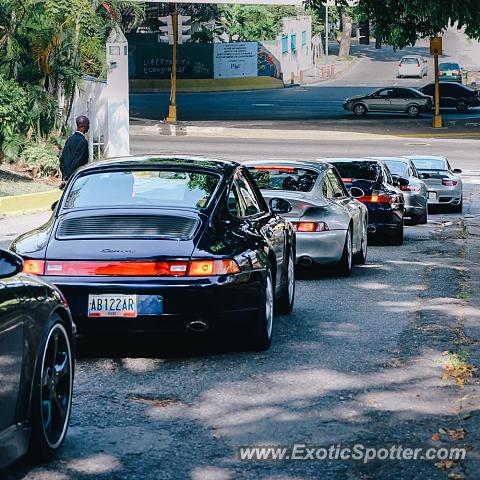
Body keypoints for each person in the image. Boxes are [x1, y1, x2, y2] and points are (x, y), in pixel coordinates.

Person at [59, 116, 90, 187]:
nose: (88, 127)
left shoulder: (69, 140)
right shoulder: (83, 142)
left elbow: (62, 159)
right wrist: (69, 176)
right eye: (88, 125)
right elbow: (78, 162)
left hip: (67, 178)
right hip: (77, 179)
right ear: (84, 126)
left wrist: (65, 176)